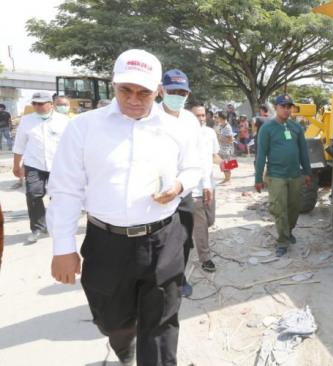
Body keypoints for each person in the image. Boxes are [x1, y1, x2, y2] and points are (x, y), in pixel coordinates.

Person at [47, 49, 201, 366]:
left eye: (143, 92)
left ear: (158, 90)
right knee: (111, 318)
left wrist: (180, 186)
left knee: (160, 324)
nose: (133, 99)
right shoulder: (84, 128)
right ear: (113, 85)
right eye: (125, 90)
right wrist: (63, 247)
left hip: (162, 239)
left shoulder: (179, 128)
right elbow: (65, 189)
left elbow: (194, 167)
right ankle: (122, 341)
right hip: (106, 243)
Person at [159, 69, 202, 298]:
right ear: (161, 90)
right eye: (172, 91)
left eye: (181, 92)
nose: (177, 96)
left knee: (184, 238)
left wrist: (202, 183)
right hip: (158, 190)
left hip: (184, 189)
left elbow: (196, 156)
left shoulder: (190, 120)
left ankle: (180, 277)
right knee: (160, 240)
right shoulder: (149, 117)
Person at [254, 95, 312, 257]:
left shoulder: (296, 128)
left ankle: (289, 231)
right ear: (276, 107)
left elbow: (303, 153)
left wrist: (307, 172)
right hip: (276, 176)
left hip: (295, 175)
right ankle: (282, 241)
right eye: (283, 106)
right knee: (279, 209)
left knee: (294, 208)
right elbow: (261, 155)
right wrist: (258, 178)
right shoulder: (267, 128)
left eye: (289, 107)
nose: (287, 109)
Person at [12, 92, 70, 244]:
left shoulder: (64, 121)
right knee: (32, 194)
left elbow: (72, 146)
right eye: (35, 103)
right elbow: (19, 145)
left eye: (41, 103)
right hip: (34, 164)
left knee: (58, 197)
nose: (37, 106)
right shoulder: (26, 121)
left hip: (58, 165)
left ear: (51, 104)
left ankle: (56, 225)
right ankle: (38, 228)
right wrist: (16, 165)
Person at [190, 105, 220, 272]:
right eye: (197, 116)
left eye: (202, 115)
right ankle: (205, 258)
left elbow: (213, 155)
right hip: (194, 189)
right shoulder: (183, 134)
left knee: (210, 220)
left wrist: (223, 163)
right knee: (201, 224)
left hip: (210, 185)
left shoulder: (210, 132)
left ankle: (191, 233)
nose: (200, 118)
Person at [215, 111, 235, 184]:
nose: (216, 119)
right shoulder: (222, 126)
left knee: (227, 164)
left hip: (227, 148)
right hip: (222, 147)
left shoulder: (227, 127)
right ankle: (226, 179)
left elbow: (230, 139)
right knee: (222, 163)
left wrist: (220, 138)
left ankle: (228, 179)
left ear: (221, 118)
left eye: (217, 117)